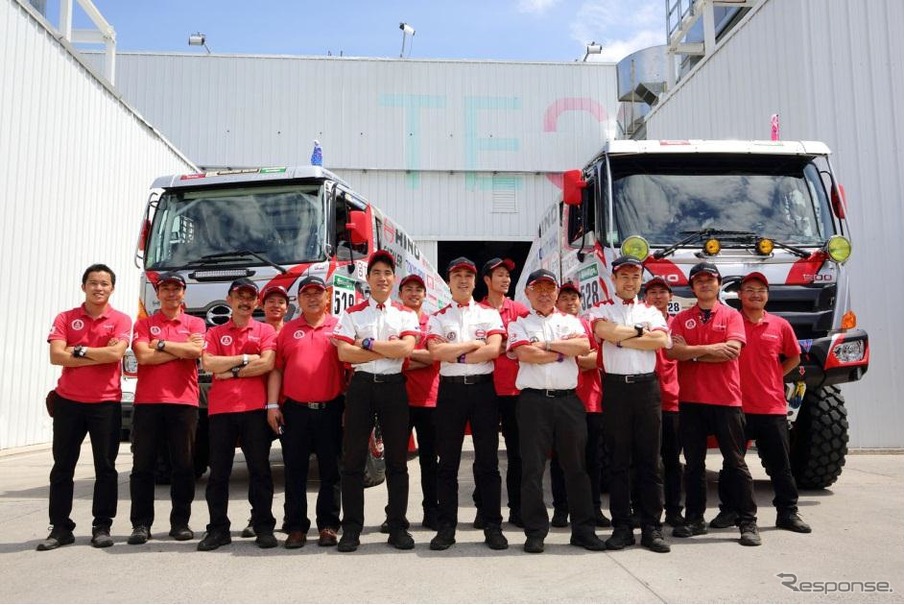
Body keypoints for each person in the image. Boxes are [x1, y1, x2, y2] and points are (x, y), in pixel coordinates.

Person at [509, 269, 607, 554]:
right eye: (537, 288)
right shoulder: (518, 324)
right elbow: (526, 354)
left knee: (577, 469)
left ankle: (583, 530)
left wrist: (548, 345)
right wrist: (564, 352)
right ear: (527, 293)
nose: (544, 293)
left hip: (568, 402)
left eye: (549, 288)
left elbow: (582, 345)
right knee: (532, 470)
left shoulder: (571, 321)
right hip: (533, 403)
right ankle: (536, 531)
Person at [666, 262, 761, 547]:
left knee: (735, 461)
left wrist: (691, 353)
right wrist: (707, 350)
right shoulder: (681, 318)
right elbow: (673, 351)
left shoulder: (732, 315)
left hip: (726, 400)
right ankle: (695, 519)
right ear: (692, 287)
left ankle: (747, 522)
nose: (705, 284)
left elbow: (731, 352)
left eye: (710, 280)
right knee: (693, 464)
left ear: (719, 284)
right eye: (699, 281)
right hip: (691, 401)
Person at [331, 250, 420, 552]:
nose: (382, 278)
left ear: (393, 280)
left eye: (387, 274)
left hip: (394, 388)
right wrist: (387, 350)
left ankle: (397, 527)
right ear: (367, 279)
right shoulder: (353, 313)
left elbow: (406, 349)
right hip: (362, 387)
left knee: (397, 461)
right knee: (353, 460)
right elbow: (344, 354)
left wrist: (366, 343)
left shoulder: (406, 314)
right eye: (376, 273)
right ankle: (352, 529)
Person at [709, 272, 811, 534]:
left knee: (780, 465)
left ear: (767, 295)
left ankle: (788, 512)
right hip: (736, 406)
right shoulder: (731, 322)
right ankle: (730, 510)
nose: (756, 294)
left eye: (761, 290)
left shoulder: (780, 325)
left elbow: (794, 358)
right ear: (740, 295)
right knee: (733, 464)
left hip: (772, 407)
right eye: (750, 289)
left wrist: (775, 376)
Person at [38, 264, 131, 551]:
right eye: (93, 283)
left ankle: (102, 525)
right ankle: (60, 527)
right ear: (84, 286)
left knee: (106, 467)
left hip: (105, 403)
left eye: (104, 283)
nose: (99, 288)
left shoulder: (121, 319)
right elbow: (56, 356)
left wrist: (76, 351)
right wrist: (97, 354)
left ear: (112, 288)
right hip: (68, 402)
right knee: (63, 466)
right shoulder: (66, 318)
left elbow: (116, 353)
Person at [587, 256, 671, 553]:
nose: (629, 281)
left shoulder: (652, 310)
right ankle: (622, 526)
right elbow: (603, 332)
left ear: (640, 280)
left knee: (650, 461)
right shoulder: (601, 308)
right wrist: (638, 333)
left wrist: (622, 338)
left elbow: (659, 341)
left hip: (647, 388)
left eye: (634, 276)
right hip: (615, 389)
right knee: (618, 461)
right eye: (623, 276)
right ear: (613, 279)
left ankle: (652, 527)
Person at [426, 257, 508, 551]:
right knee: (446, 463)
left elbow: (494, 350)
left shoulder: (489, 314)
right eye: (457, 275)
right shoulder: (438, 317)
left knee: (487, 462)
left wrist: (455, 354)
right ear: (448, 281)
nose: (463, 280)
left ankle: (492, 526)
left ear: (476, 282)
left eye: (468, 276)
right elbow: (435, 352)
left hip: (483, 392)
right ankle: (446, 527)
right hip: (450, 393)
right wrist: (472, 347)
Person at [197, 278, 278, 551]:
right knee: (218, 473)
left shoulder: (265, 330)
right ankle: (218, 529)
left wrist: (229, 370)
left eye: (250, 297)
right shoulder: (216, 333)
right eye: (239, 296)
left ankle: (264, 527)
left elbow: (267, 363)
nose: (245, 301)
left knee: (260, 471)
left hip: (255, 410)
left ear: (256, 302)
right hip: (221, 412)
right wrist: (246, 358)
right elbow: (208, 363)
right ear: (229, 299)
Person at [127, 272, 206, 545]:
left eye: (176, 289)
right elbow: (143, 356)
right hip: (148, 403)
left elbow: (195, 353)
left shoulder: (195, 322)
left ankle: (180, 523)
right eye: (165, 289)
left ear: (183, 293)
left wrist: (161, 344)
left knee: (183, 466)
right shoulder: (144, 323)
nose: (171, 293)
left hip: (184, 403)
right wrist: (180, 349)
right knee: (143, 466)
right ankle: (140, 524)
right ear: (158, 293)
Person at [267, 275, 345, 549]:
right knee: (295, 471)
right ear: (298, 300)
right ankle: (296, 526)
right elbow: (276, 369)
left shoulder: (339, 327)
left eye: (318, 293)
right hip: (295, 411)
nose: (313, 298)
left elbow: (350, 368)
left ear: (327, 297)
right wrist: (272, 405)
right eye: (306, 294)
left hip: (331, 409)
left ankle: (328, 525)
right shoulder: (287, 330)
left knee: (331, 471)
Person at [378, 273, 441, 532]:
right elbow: (385, 354)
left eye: (419, 289)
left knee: (429, 460)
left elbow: (433, 357)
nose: (414, 293)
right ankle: (395, 515)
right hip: (397, 400)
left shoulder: (433, 322)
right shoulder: (393, 320)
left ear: (425, 295)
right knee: (396, 460)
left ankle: (432, 512)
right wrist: (414, 356)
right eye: (408, 289)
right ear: (400, 294)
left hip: (429, 400)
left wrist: (402, 355)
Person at [472, 258, 529, 529]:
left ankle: (517, 508)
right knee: (485, 454)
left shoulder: (519, 310)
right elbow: (475, 345)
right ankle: (483, 507)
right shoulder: (476, 311)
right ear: (486, 280)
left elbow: (526, 342)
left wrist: (496, 343)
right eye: (500, 275)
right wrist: (505, 343)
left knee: (517, 453)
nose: (506, 279)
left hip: (515, 391)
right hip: (484, 389)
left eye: (508, 275)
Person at [549, 281, 610, 529]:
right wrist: (574, 354)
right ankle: (561, 509)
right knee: (559, 459)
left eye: (574, 298)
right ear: (556, 301)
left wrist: (564, 355)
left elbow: (598, 359)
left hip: (591, 402)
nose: (571, 302)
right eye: (565, 298)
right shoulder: (551, 326)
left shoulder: (588, 326)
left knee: (592, 459)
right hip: (562, 401)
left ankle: (593, 508)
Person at [241, 283, 289, 539]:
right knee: (258, 465)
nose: (275, 306)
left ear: (287, 306)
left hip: (288, 406)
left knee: (292, 464)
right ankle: (258, 517)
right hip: (259, 407)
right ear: (262, 305)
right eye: (270, 301)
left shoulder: (292, 332)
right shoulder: (254, 332)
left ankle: (292, 518)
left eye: (280, 302)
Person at [643, 276, 685, 528]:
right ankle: (646, 511)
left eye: (662, 292)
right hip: (645, 401)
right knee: (647, 461)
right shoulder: (640, 324)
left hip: (673, 402)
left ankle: (674, 511)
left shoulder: (680, 325)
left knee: (671, 461)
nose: (657, 296)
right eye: (652, 292)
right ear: (645, 298)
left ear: (670, 297)